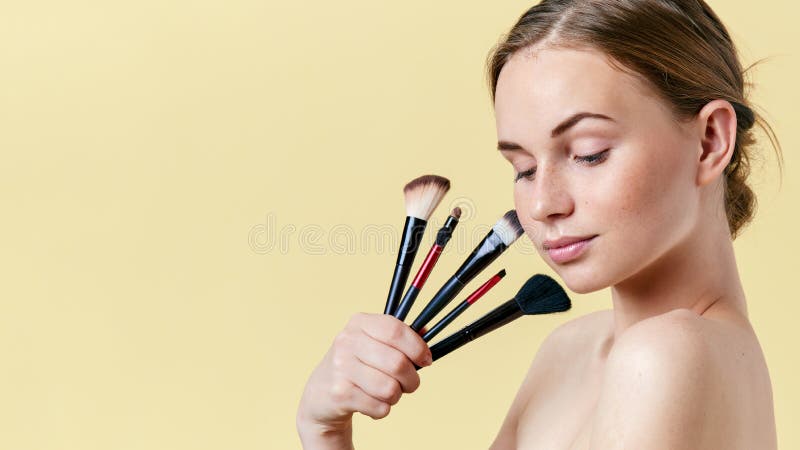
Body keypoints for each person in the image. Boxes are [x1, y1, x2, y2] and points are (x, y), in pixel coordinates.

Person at [296, 0, 781, 448]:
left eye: (589, 154)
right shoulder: (570, 349)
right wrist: (324, 431)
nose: (543, 203)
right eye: (523, 168)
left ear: (711, 141)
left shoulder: (663, 357)